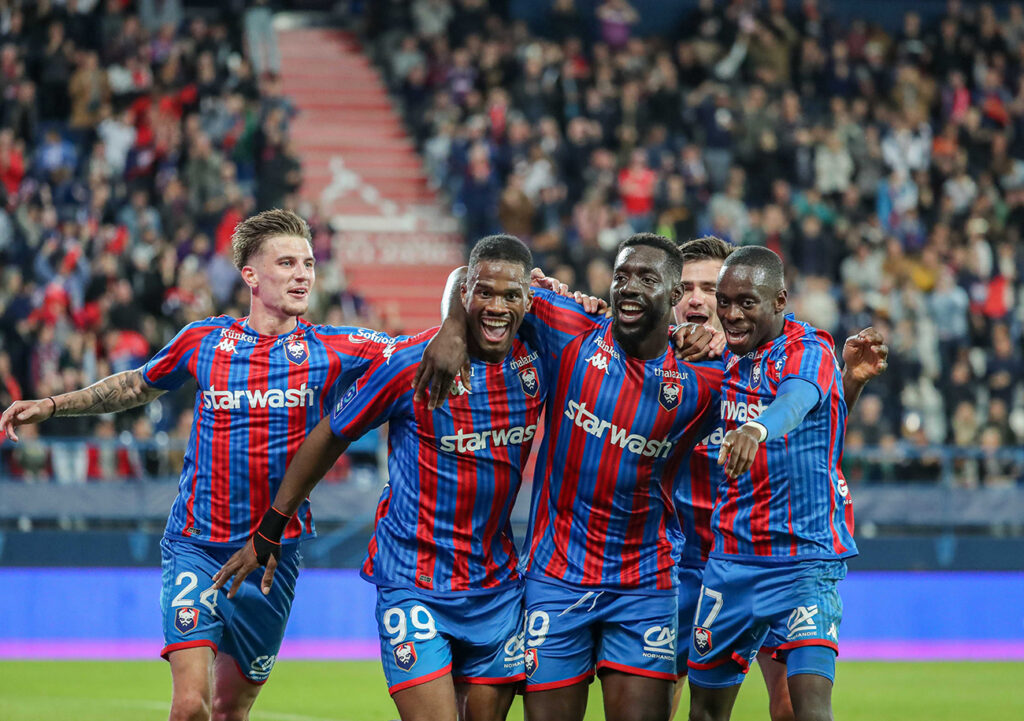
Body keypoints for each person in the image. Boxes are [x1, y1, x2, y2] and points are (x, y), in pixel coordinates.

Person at [0, 209, 463, 721]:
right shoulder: (204, 341)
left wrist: (467, 310)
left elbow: (422, 349)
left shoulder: (332, 348)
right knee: (189, 705)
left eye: (308, 263)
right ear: (251, 275)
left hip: (272, 557)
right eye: (286, 263)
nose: (302, 274)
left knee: (228, 710)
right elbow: (134, 385)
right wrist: (52, 405)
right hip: (197, 545)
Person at [212, 234, 598, 721]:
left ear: (529, 299)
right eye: (483, 294)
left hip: (496, 586)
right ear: (465, 295)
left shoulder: (541, 356)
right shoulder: (410, 363)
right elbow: (331, 433)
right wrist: (271, 527)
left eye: (510, 296)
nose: (496, 307)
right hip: (413, 579)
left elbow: (616, 339)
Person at [668, 237, 887, 721]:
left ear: (779, 301)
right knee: (700, 707)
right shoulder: (711, 358)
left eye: (744, 302)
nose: (729, 312)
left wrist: (757, 427)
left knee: (804, 707)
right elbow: (819, 422)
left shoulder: (809, 347)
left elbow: (799, 397)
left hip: (802, 560)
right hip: (726, 559)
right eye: (723, 301)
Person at [520, 233, 723, 721]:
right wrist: (448, 330)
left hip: (644, 584)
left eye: (647, 279)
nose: (629, 288)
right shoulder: (570, 327)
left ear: (675, 298)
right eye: (621, 277)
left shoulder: (706, 380)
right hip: (556, 575)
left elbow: (796, 406)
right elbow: (477, 278)